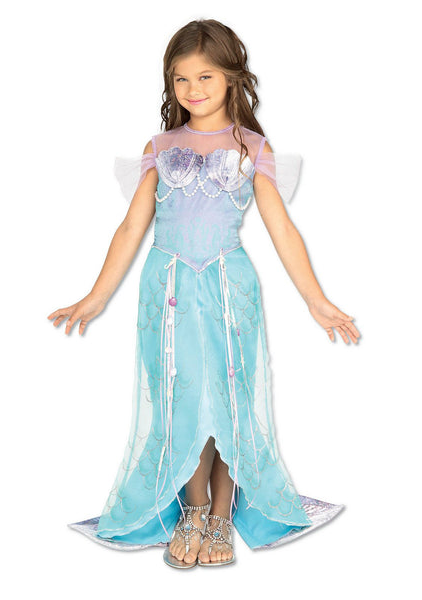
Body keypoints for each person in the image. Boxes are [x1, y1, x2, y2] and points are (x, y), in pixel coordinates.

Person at [47, 18, 360, 569]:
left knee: (228, 398)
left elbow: (282, 230)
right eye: (181, 78)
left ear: (232, 77)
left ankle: (220, 514)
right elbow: (131, 226)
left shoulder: (251, 147)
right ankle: (192, 509)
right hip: (167, 287)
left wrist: (316, 299)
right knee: (181, 398)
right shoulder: (160, 146)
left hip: (226, 287)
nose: (193, 89)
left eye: (206, 76)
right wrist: (95, 297)